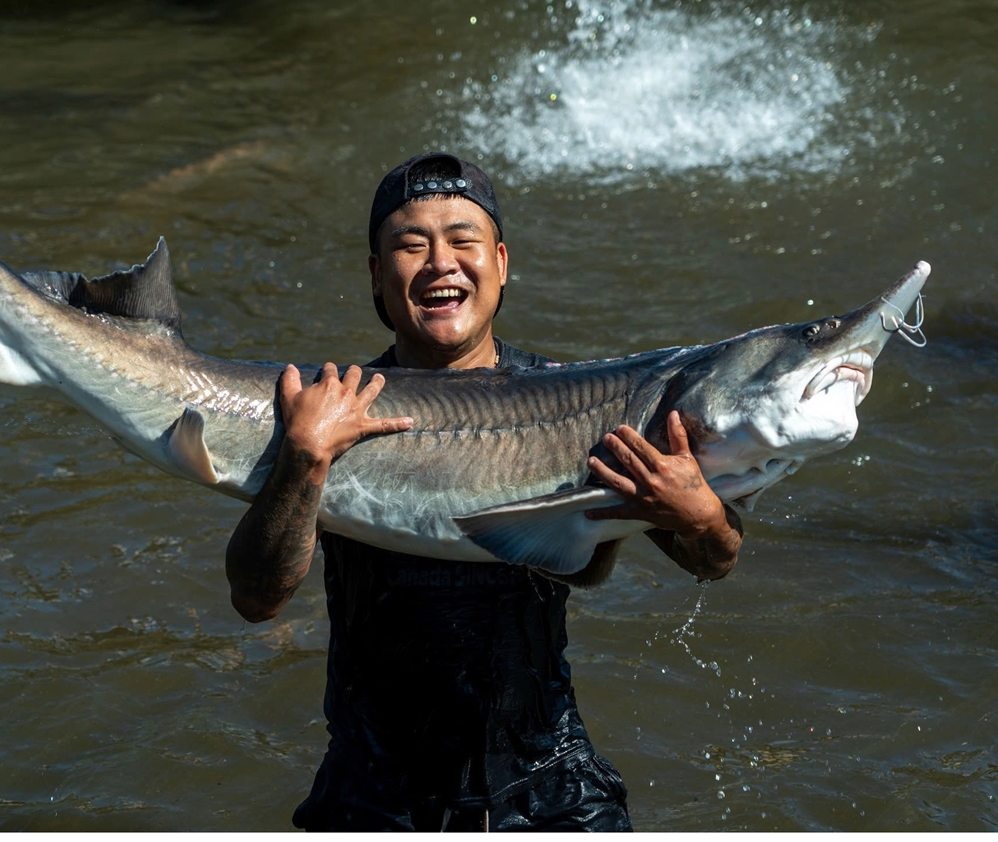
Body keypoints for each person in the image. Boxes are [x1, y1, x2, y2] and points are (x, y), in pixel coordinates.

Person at [226, 153, 743, 831]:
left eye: (462, 240)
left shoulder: (586, 397)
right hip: (376, 788)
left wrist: (703, 516)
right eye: (411, 245)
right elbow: (256, 598)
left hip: (546, 775)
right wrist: (303, 460)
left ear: (500, 261)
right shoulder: (333, 408)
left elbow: (714, 559)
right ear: (378, 277)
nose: (441, 262)